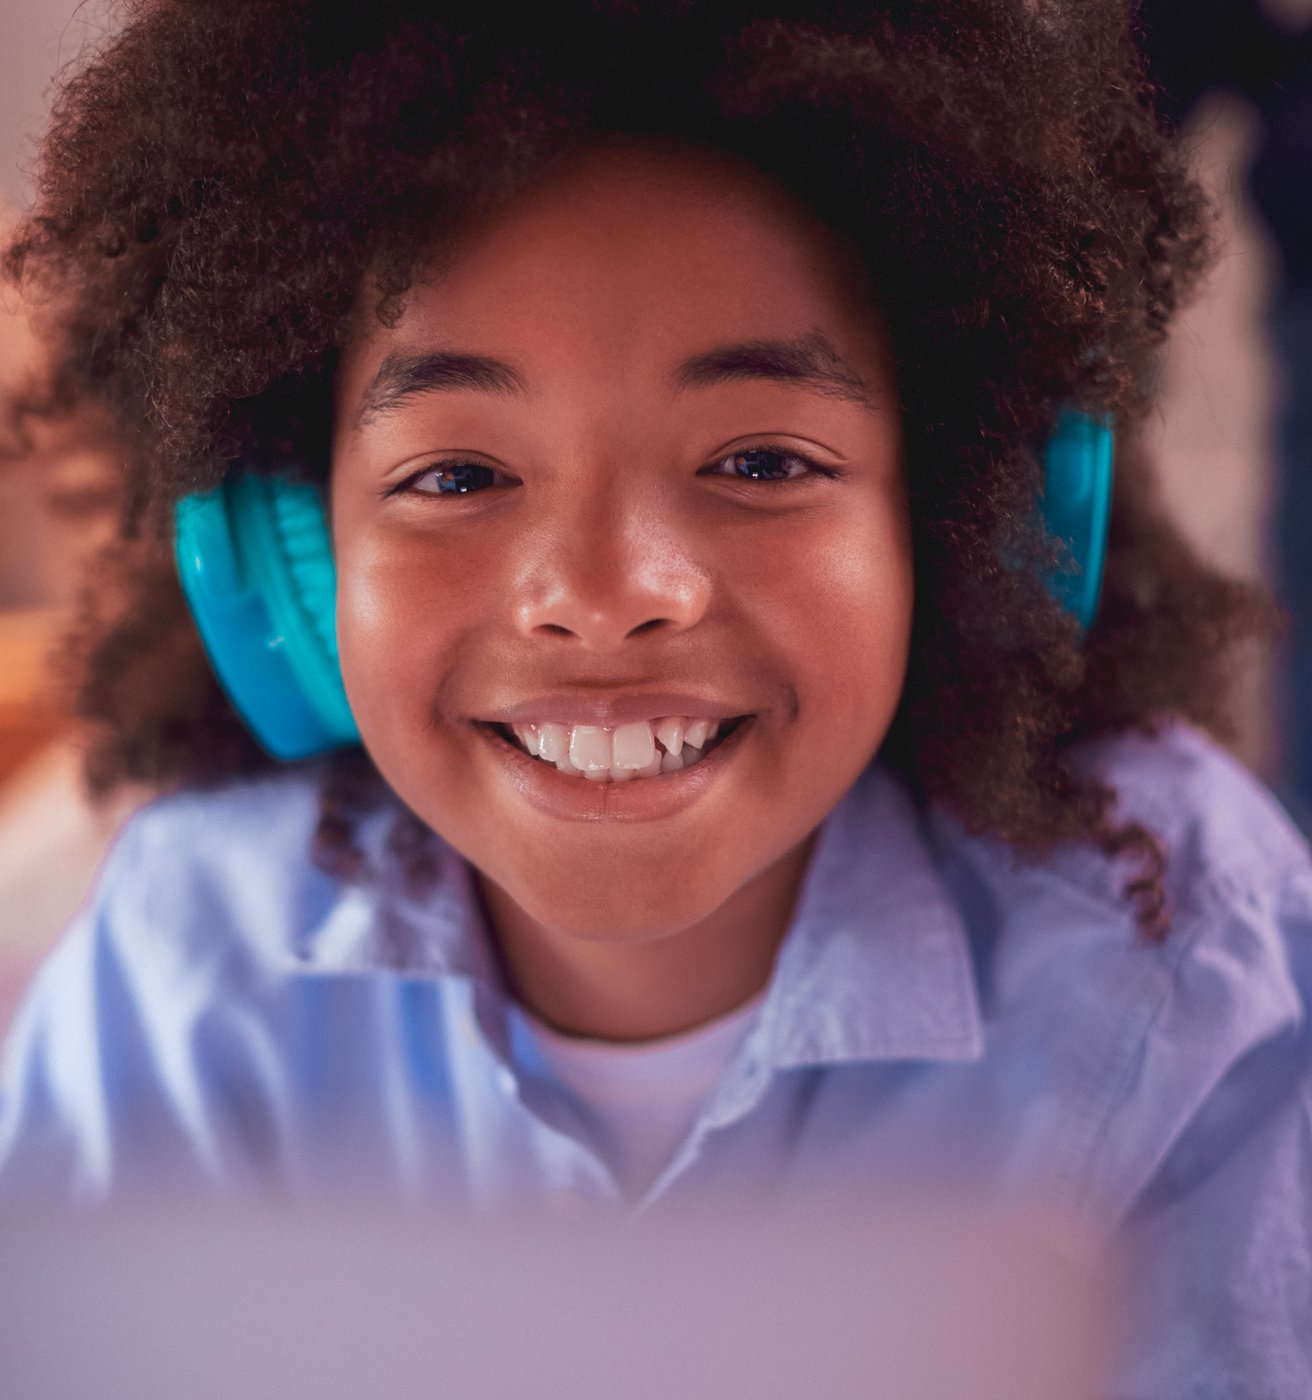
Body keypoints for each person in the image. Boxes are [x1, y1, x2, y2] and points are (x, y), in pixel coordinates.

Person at [0, 1, 1308, 1393]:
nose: (606, 590)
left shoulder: (1186, 955)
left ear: (963, 525)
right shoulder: (188, 970)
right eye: (457, 477)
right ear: (294, 560)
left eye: (759, 462)